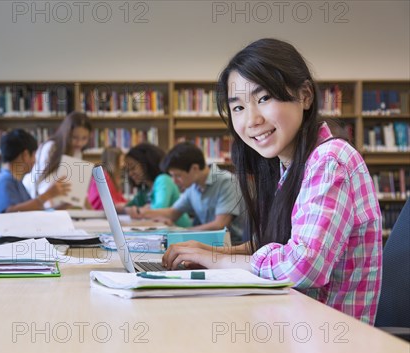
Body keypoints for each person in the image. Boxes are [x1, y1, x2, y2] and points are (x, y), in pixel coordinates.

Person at [162, 38, 382, 324]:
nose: (251, 119)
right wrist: (211, 252)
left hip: (332, 345)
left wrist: (216, 260)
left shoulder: (330, 160)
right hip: (295, 327)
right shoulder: (291, 166)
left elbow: (304, 266)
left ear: (305, 95)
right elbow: (282, 241)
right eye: (238, 107)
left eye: (264, 98)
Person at [131, 142, 247, 243]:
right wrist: (142, 213)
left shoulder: (227, 182)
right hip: (208, 242)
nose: (174, 181)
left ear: (195, 169)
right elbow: (172, 212)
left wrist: (182, 231)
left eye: (178, 176)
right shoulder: (193, 187)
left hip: (232, 245)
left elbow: (219, 225)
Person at [0, 129, 70, 216]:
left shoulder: (17, 182)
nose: (35, 160)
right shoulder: (4, 180)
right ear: (25, 155)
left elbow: (32, 212)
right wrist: (47, 195)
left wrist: (61, 208)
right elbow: (10, 213)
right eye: (34, 155)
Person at [23, 111, 91, 209]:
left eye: (84, 138)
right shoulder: (51, 147)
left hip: (57, 205)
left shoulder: (77, 153)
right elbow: (40, 181)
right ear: (67, 133)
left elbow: (75, 186)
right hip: (37, 200)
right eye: (75, 137)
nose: (79, 143)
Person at [123, 143, 192, 228]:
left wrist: (139, 211)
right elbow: (129, 207)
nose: (130, 174)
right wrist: (131, 209)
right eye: (128, 170)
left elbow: (158, 209)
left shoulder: (163, 180)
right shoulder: (145, 188)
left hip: (181, 233)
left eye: (133, 168)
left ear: (147, 163)